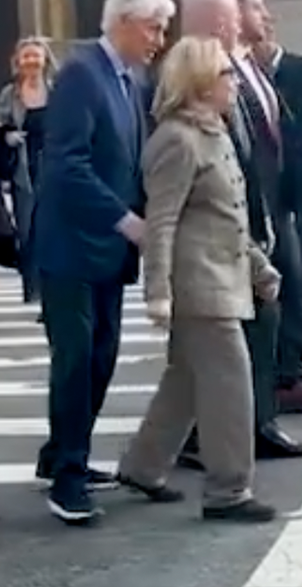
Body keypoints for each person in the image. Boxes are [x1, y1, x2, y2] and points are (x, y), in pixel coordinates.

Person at [117, 36, 281, 524]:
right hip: (197, 285)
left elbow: (225, 215)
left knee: (186, 380)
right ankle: (228, 490)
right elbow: (160, 222)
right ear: (201, 82)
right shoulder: (176, 140)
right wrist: (158, 293)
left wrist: (258, 266)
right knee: (230, 382)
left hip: (222, 275)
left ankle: (143, 467)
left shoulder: (214, 133)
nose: (234, 83)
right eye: (226, 75)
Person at [33, 0, 176, 524]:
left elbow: (127, 161)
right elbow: (66, 165)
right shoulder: (80, 75)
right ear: (122, 21)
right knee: (76, 360)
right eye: (153, 27)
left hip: (109, 250)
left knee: (102, 355)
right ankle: (67, 477)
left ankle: (60, 453)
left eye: (162, 29)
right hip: (73, 245)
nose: (158, 40)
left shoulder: (128, 79)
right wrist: (125, 220)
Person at [171, 0, 302, 471]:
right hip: (228, 227)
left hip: (263, 215)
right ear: (219, 23)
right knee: (242, 330)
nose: (248, 21)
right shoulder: (202, 77)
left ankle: (248, 425)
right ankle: (232, 435)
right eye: (238, 14)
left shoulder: (247, 68)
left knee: (264, 319)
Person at [220, 0, 302, 415]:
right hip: (255, 204)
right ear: (231, 14)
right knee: (269, 297)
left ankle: (282, 384)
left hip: (282, 199)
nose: (265, 14)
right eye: (254, 6)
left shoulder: (252, 67)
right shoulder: (223, 67)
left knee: (294, 286)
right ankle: (260, 399)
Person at [0, 37, 56, 304]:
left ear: (45, 60)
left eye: (36, 56)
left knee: (52, 229)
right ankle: (31, 288)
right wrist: (6, 137)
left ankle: (52, 287)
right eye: (26, 56)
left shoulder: (57, 89)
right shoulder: (10, 93)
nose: (31, 61)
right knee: (27, 229)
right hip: (22, 166)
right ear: (18, 62)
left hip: (54, 165)